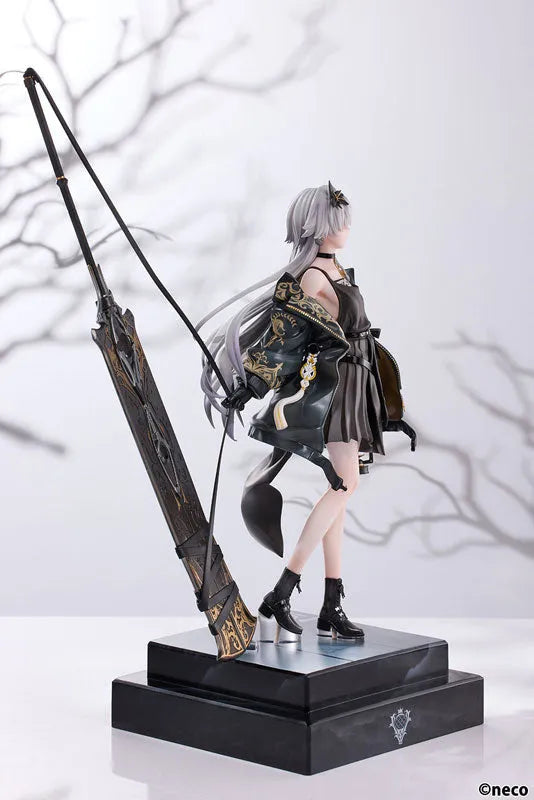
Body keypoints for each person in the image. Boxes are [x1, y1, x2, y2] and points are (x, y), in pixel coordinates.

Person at [197, 182, 416, 641]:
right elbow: (283, 341)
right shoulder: (313, 277)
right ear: (317, 227)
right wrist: (249, 385)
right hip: (334, 391)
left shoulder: (336, 270)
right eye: (338, 222)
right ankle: (282, 591)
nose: (346, 227)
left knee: (341, 492)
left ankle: (331, 605)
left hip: (356, 384)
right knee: (344, 484)